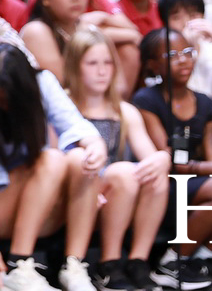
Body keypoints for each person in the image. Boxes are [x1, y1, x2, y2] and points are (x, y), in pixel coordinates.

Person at [0, 43, 103, 291]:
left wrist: (96, 145)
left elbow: (75, 125)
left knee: (80, 159)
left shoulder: (43, 82)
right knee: (52, 159)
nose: (4, 104)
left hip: (43, 203)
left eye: (9, 97)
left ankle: (75, 267)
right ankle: (18, 265)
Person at [129, 29, 212, 291]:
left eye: (188, 52)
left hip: (195, 181)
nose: (183, 60)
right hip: (164, 183)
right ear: (153, 65)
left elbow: (211, 155)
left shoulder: (205, 102)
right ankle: (172, 260)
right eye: (171, 54)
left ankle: (205, 259)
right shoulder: (146, 99)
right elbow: (164, 158)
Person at [60, 30, 166, 291]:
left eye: (107, 63)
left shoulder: (125, 111)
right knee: (123, 173)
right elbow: (51, 160)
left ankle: (138, 260)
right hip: (73, 196)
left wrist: (163, 158)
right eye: (92, 63)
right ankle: (108, 264)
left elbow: (149, 156)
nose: (102, 71)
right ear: (75, 65)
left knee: (155, 173)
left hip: (116, 196)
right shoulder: (62, 107)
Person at [22, 0, 139, 89]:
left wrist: (105, 18)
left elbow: (119, 87)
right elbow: (61, 86)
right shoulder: (37, 31)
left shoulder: (87, 27)